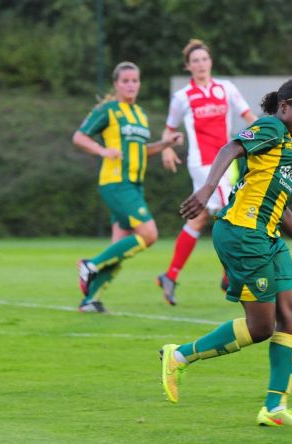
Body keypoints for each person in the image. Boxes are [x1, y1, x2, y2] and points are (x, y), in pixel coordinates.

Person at [159, 79, 292, 428]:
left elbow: (283, 208)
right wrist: (208, 187)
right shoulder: (271, 128)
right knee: (260, 328)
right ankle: (179, 356)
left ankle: (274, 407)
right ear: (284, 107)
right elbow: (230, 147)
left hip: (269, 237)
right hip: (243, 234)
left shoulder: (288, 151)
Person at [73, 61, 184, 313]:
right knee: (149, 235)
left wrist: (165, 143)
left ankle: (90, 299)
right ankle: (90, 265)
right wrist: (102, 150)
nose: (131, 85)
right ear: (116, 84)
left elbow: (141, 151)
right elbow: (79, 137)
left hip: (134, 185)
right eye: (125, 81)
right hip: (116, 183)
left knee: (120, 246)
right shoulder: (109, 110)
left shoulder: (141, 114)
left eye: (135, 80)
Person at [157, 39, 258, 306]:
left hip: (228, 162)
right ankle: (231, 277)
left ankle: (170, 275)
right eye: (195, 61)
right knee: (230, 213)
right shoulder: (182, 97)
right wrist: (167, 148)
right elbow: (169, 130)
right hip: (203, 164)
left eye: (204, 59)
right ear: (188, 66)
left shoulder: (226, 89)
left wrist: (269, 136)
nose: (200, 64)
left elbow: (249, 118)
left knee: (199, 219)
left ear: (210, 62)